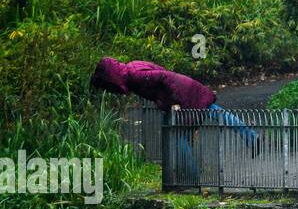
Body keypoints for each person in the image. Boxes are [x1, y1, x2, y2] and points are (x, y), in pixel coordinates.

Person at [91, 58, 257, 185]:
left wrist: (175, 101)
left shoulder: (135, 76)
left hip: (182, 93)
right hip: (186, 87)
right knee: (215, 113)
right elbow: (161, 73)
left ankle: (192, 180)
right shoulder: (132, 66)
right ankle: (251, 137)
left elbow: (163, 77)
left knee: (180, 136)